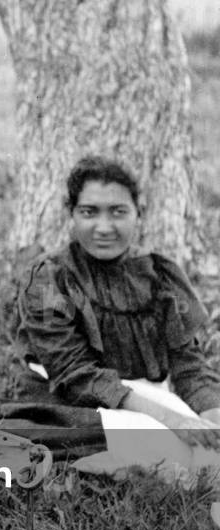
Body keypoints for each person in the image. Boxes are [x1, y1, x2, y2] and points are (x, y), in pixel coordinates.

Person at [14, 155, 220, 482]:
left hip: (144, 396)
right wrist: (170, 418)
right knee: (173, 455)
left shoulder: (161, 275)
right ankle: (93, 469)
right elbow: (74, 375)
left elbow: (188, 365)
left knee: (211, 452)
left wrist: (212, 416)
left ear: (139, 213)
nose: (104, 227)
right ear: (71, 214)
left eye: (118, 212)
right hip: (71, 401)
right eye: (89, 212)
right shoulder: (50, 278)